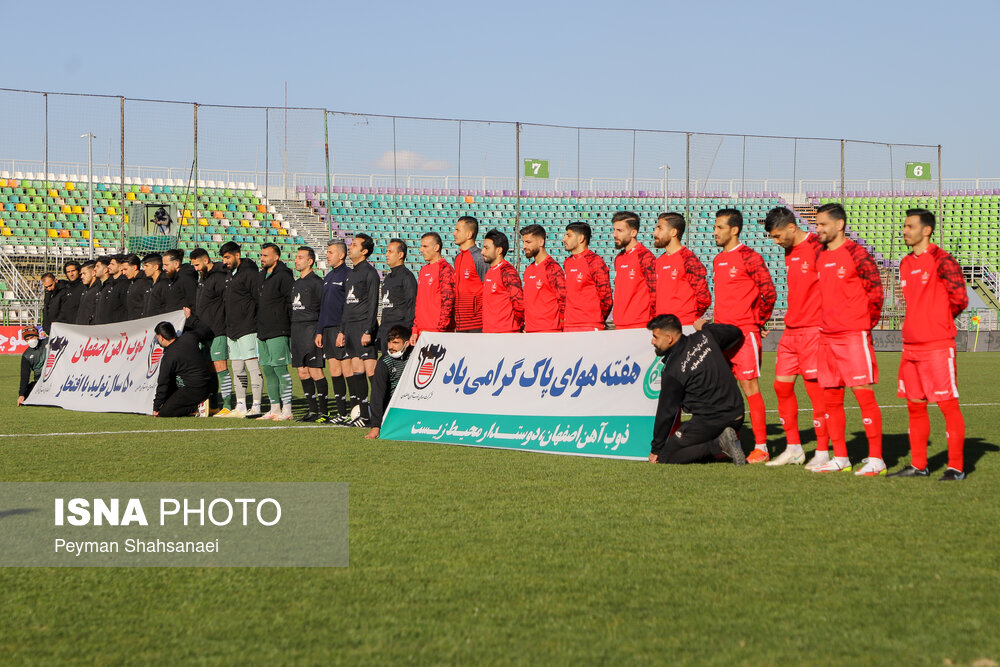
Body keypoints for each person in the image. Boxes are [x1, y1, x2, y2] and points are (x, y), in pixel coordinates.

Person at [890, 208, 969, 482]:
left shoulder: (943, 260)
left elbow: (960, 298)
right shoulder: (904, 263)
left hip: (937, 344)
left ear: (927, 230)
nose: (904, 231)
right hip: (910, 346)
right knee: (915, 406)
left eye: (910, 226)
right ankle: (919, 465)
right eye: (904, 226)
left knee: (947, 405)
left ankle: (956, 468)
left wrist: (937, 321)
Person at [811, 203, 885, 475]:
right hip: (826, 336)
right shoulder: (820, 255)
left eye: (821, 224)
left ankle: (876, 459)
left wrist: (863, 325)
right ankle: (841, 457)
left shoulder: (858, 253)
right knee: (831, 398)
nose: (817, 229)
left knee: (863, 395)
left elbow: (875, 292)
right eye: (816, 224)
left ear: (839, 225)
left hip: (853, 335)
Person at [763, 207, 829, 468]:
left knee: (816, 392)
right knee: (781, 387)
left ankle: (823, 451)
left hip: (814, 330)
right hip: (792, 330)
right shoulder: (789, 251)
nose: (776, 242)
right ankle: (794, 448)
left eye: (778, 236)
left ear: (792, 227)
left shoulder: (819, 247)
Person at [711, 208, 777, 463]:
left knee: (750, 389)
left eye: (719, 227)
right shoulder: (718, 260)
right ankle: (729, 442)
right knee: (722, 392)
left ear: (734, 229)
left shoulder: (750, 257)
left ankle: (761, 447)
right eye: (715, 227)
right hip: (720, 336)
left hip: (743, 334)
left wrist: (758, 320)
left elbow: (769, 292)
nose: (715, 232)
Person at [647, 314, 747, 465]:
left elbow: (666, 412)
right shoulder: (706, 336)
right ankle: (723, 439)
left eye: (655, 337)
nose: (652, 341)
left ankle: (719, 445)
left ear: (669, 338)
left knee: (666, 456)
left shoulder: (673, 370)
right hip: (738, 415)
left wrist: (656, 449)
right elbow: (735, 332)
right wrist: (705, 326)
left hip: (711, 422)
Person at [336, 233, 380, 427]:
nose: (350, 247)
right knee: (356, 369)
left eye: (354, 245)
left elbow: (373, 304)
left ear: (364, 251)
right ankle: (363, 415)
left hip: (364, 327)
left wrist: (368, 330)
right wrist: (342, 331)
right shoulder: (351, 273)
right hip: (350, 328)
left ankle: (380, 413)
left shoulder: (370, 273)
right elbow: (346, 305)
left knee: (371, 371)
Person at [220, 241, 263, 418]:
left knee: (252, 366)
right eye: (223, 258)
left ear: (238, 255)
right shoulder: (230, 275)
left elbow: (258, 299)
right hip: (232, 329)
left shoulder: (250, 273)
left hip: (248, 327)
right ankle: (240, 405)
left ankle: (257, 405)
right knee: (237, 368)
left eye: (227, 257)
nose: (225, 262)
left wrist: (253, 320)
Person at [190, 247, 232, 416]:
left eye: (198, 264)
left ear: (206, 260)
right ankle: (213, 404)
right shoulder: (202, 278)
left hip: (217, 330)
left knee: (220, 366)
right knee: (209, 368)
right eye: (193, 265)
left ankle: (228, 404)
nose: (196, 268)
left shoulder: (219, 277)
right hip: (204, 331)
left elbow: (227, 301)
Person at [255, 243, 295, 421]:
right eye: (261, 255)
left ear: (276, 257)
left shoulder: (284, 276)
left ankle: (287, 409)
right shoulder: (261, 275)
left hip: (278, 329)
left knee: (280, 369)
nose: (262, 258)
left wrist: (286, 324)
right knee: (268, 370)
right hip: (262, 329)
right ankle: (274, 409)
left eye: (265, 255)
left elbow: (290, 303)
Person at [290, 246, 329, 422]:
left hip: (311, 330)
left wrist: (319, 332)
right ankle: (312, 411)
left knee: (315, 372)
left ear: (310, 261)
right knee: (302, 372)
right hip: (297, 331)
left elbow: (324, 309)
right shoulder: (296, 283)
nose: (296, 260)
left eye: (300, 257)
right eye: (296, 257)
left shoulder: (317, 283)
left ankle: (323, 411)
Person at [653, 212, 710, 330]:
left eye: (660, 228)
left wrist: (687, 317)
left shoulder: (689, 259)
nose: (655, 233)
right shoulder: (658, 262)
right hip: (662, 328)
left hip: (684, 327)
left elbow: (704, 298)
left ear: (673, 232)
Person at [315, 240, 351, 422]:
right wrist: (319, 331)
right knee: (334, 371)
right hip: (327, 330)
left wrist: (342, 331)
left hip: (340, 329)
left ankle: (355, 410)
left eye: (330, 252)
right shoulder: (328, 277)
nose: (327, 255)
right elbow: (323, 307)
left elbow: (348, 306)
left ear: (341, 255)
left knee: (347, 370)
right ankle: (341, 412)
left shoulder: (348, 275)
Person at [151, 321, 215, 418]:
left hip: (194, 389)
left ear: (161, 337)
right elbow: (206, 330)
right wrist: (192, 318)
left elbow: (163, 383)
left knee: (164, 412)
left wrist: (156, 407)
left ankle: (197, 407)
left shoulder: (169, 356)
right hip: (208, 385)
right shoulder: (189, 337)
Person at [364, 325, 414, 440]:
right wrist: (376, 426)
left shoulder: (415, 356)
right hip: (392, 408)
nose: (391, 346)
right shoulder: (384, 364)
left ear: (406, 344)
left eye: (396, 343)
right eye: (389, 342)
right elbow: (377, 395)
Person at [562, 222, 612, 332]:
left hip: (589, 325)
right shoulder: (567, 262)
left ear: (581, 238)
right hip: (569, 325)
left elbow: (606, 298)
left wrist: (596, 319)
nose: (564, 239)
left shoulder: (595, 262)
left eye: (568, 235)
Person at [611, 211, 656, 329]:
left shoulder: (645, 256)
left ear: (633, 232)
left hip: (640, 324)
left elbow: (655, 292)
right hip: (619, 323)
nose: (614, 234)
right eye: (614, 230)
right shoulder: (619, 258)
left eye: (620, 231)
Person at [409, 232, 455, 344]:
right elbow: (419, 303)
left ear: (436, 247)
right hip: (422, 333)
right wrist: (415, 329)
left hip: (438, 333)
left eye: (425, 246)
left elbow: (448, 301)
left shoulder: (445, 269)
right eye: (421, 246)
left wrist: (440, 329)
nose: (421, 250)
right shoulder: (423, 270)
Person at [520, 224, 565, 332]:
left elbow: (563, 300)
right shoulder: (529, 270)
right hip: (530, 331)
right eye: (523, 242)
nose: (524, 246)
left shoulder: (552, 268)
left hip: (549, 331)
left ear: (541, 242)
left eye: (528, 242)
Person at [377, 238, 417, 355]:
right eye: (386, 251)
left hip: (399, 330)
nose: (386, 254)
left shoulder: (407, 277)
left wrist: (405, 331)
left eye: (390, 251)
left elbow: (412, 304)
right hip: (385, 330)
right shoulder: (388, 278)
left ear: (400, 254)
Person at [481, 229, 524, 333]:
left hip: (505, 334)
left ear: (499, 250)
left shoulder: (508, 272)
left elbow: (519, 303)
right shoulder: (490, 271)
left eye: (486, 248)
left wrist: (517, 326)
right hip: (489, 332)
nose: (482, 252)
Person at [452, 215, 486, 333]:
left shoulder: (479, 257)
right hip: (461, 323)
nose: (453, 233)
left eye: (458, 230)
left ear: (469, 234)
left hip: (477, 323)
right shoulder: (458, 258)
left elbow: (487, 287)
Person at [18, 326, 47, 405]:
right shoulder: (26, 355)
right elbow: (25, 376)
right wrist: (21, 394)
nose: (30, 340)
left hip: (55, 379)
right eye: (27, 339)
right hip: (39, 382)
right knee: (29, 392)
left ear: (37, 335)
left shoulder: (48, 342)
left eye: (32, 337)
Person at [162, 249, 197, 313]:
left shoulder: (186, 279)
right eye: (163, 265)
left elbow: (194, 303)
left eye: (166, 265)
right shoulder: (171, 279)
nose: (164, 268)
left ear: (176, 264)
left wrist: (191, 319)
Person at [122, 254, 150, 321]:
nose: (123, 272)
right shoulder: (132, 281)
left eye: (125, 269)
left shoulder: (145, 282)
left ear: (134, 267)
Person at [141, 253, 169, 318]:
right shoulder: (149, 283)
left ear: (156, 267)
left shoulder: (164, 283)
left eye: (147, 266)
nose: (144, 269)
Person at [91, 256, 116, 325]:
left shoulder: (112, 286)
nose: (95, 269)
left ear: (105, 270)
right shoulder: (98, 286)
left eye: (97, 266)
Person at [75, 261, 100, 325]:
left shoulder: (98, 289)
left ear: (93, 273)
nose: (81, 277)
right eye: (81, 274)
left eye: (84, 274)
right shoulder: (86, 289)